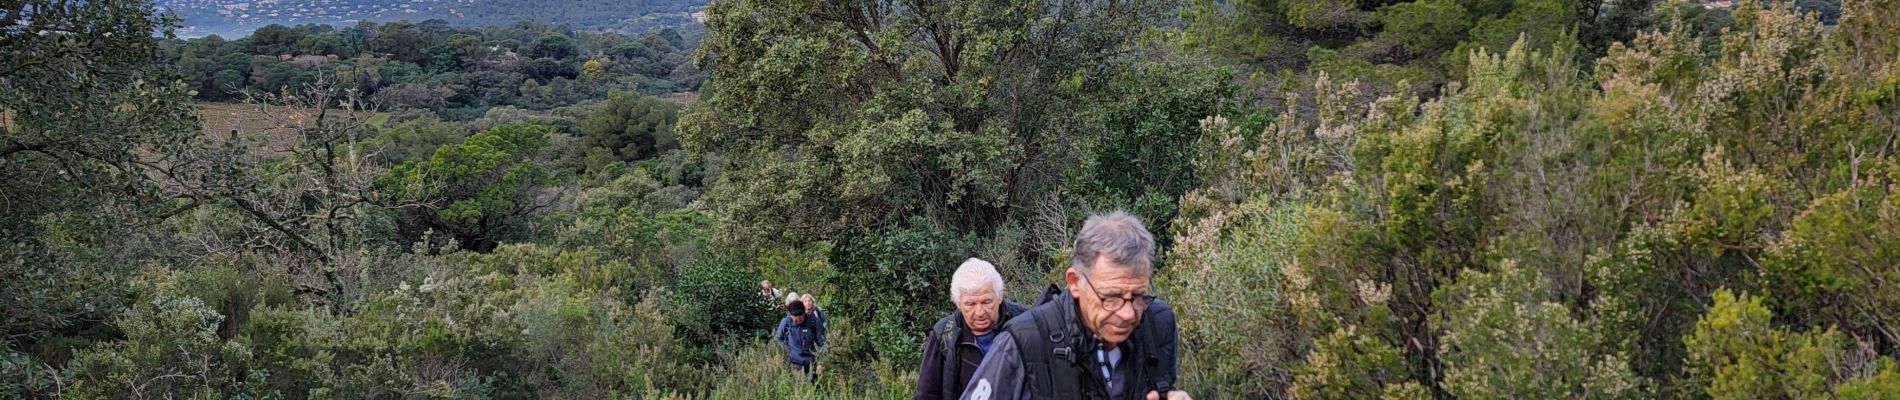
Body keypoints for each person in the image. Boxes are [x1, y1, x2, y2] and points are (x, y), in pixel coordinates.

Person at [960, 211, 1189, 400]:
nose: (1128, 313)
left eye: (1138, 296)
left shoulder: (1157, 324)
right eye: (1110, 297)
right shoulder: (1025, 342)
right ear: (1074, 282)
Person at [916, 258, 1031, 400]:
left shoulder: (1025, 323)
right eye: (970, 304)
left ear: (999, 296)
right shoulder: (944, 335)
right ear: (957, 303)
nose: (980, 312)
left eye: (986, 302)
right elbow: (927, 394)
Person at [777, 301, 825, 375]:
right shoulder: (786, 322)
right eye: (795, 316)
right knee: (799, 385)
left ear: (804, 312)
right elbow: (779, 338)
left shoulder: (814, 321)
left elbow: (822, 343)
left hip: (812, 361)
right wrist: (787, 351)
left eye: (800, 315)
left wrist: (821, 362)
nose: (798, 318)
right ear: (790, 315)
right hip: (795, 361)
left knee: (814, 384)